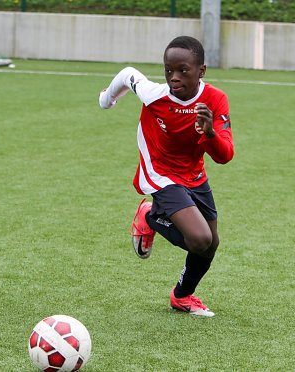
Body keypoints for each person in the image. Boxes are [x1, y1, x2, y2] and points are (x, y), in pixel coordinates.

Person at [99, 36, 234, 317]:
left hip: (194, 174)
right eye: (168, 69)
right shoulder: (154, 95)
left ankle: (182, 296)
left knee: (211, 243)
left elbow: (224, 155)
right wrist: (107, 99)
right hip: (159, 171)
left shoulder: (215, 100)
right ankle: (150, 216)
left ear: (201, 70)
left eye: (183, 70)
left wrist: (209, 133)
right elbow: (128, 75)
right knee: (199, 239)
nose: (174, 77)